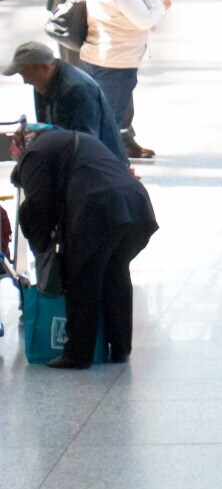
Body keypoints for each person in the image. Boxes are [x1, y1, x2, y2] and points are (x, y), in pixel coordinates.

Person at [11, 128, 156, 367]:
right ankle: (120, 348)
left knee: (82, 276)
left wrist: (44, 251)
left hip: (99, 205)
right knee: (115, 273)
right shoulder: (67, 142)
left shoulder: (32, 158)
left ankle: (78, 353)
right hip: (136, 205)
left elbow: (37, 208)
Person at [78, 0, 168, 161]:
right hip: (116, 62)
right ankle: (105, 165)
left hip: (95, 56)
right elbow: (145, 20)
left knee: (97, 115)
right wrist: (161, 6)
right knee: (110, 119)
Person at [4, 40, 123, 159]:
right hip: (69, 157)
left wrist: (45, 132)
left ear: (44, 67)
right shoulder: (42, 83)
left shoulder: (77, 88)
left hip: (99, 161)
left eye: (26, 75)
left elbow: (86, 142)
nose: (25, 82)